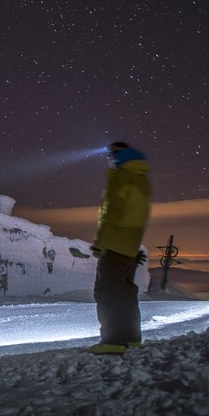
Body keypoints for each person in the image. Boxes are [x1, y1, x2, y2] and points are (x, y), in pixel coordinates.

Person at [87, 141, 152, 355]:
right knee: (126, 293)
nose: (108, 159)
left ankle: (113, 341)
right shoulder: (141, 180)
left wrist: (100, 243)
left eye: (110, 155)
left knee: (107, 292)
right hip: (131, 245)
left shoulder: (121, 177)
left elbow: (112, 213)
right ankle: (132, 338)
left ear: (117, 156)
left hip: (114, 244)